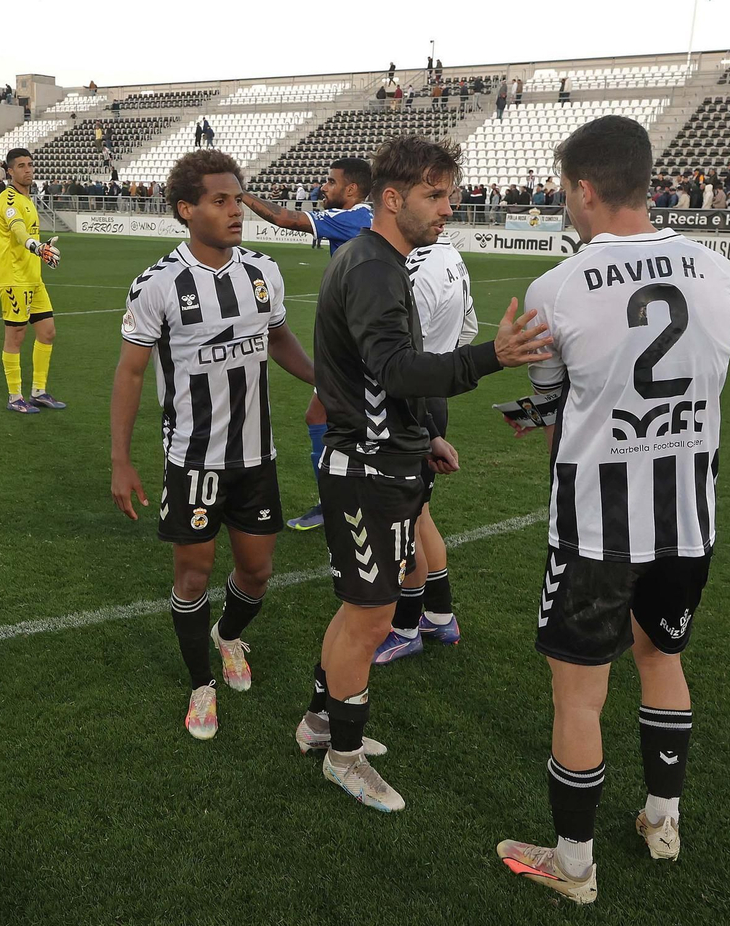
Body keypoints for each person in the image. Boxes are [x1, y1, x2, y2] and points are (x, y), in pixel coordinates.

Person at [495, 114, 730, 906]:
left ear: (583, 188)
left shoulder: (556, 286)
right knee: (662, 658)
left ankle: (573, 865)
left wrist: (544, 422)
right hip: (689, 519)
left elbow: (552, 410)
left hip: (598, 525)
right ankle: (662, 819)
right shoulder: (719, 270)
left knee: (579, 690)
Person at [296, 136, 552, 812]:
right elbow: (395, 370)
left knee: (361, 611)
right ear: (391, 198)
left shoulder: (383, 261)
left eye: (449, 193)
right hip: (366, 470)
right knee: (371, 614)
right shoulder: (376, 267)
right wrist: (491, 357)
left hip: (387, 456)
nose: (449, 207)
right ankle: (344, 759)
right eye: (434, 195)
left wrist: (422, 434)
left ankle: (321, 723)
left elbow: (380, 378)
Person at [109, 149, 315, 740]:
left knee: (257, 572)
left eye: (238, 198)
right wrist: (121, 461)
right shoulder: (158, 285)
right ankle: (201, 684)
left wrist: (323, 380)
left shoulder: (263, 272)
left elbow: (279, 339)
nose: (237, 211)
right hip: (193, 459)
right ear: (186, 209)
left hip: (256, 457)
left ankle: (228, 636)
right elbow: (128, 374)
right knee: (194, 577)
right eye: (220, 201)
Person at [239, 157, 375, 531]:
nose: (324, 188)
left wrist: (240, 194)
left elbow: (286, 218)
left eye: (331, 182)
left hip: (360, 347)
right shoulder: (364, 218)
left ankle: (343, 504)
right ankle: (340, 502)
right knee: (325, 416)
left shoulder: (356, 217)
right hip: (354, 341)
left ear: (351, 189)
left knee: (339, 420)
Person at [372, 228, 479, 664]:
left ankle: (404, 627)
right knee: (420, 514)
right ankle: (438, 614)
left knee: (405, 521)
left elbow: (396, 354)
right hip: (431, 392)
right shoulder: (449, 255)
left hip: (409, 402)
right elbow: (469, 326)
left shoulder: (414, 267)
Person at [0, 148, 66, 413]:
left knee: (47, 332)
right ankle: (15, 397)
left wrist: (40, 252)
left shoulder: (27, 199)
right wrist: (35, 246)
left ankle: (39, 391)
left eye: (30, 165)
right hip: (14, 279)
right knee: (16, 336)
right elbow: (18, 230)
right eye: (21, 166)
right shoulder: (9, 199)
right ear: (10, 171)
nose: (27, 169)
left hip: (33, 279)